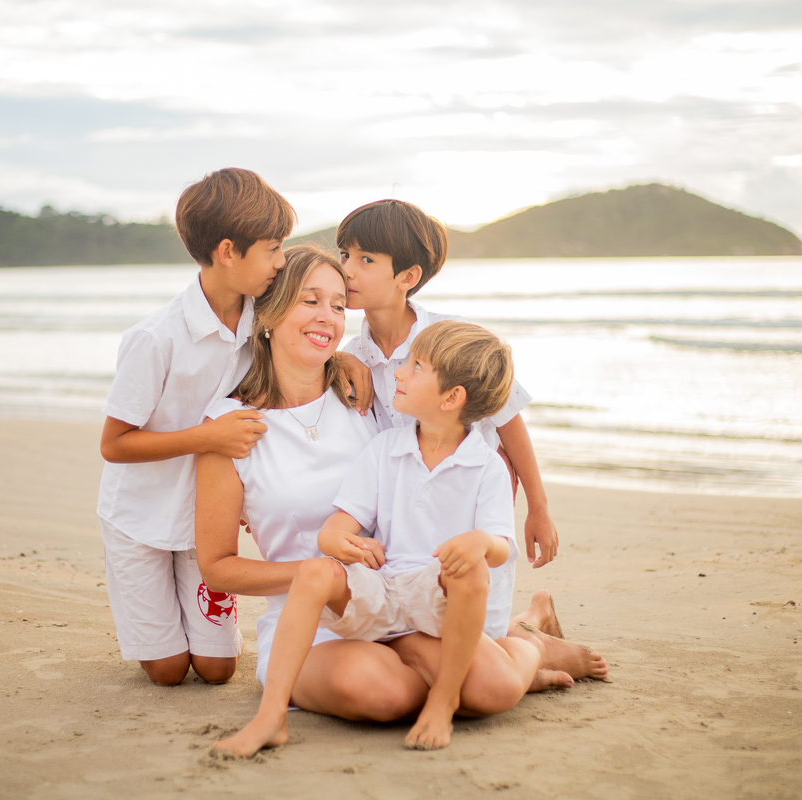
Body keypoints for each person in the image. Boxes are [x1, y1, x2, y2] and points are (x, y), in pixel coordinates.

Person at [196, 245, 607, 741]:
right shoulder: (229, 426)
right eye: (310, 302)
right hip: (316, 615)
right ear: (269, 312)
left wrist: (530, 503)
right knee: (382, 694)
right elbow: (216, 567)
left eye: (338, 306)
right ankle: (517, 639)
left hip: (400, 601)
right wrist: (322, 575)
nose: (327, 317)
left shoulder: (362, 392)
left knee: (486, 690)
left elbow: (456, 425)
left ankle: (519, 647)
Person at [97, 169, 372, 687]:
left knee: (218, 669)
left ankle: (208, 634)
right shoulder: (157, 338)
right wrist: (210, 438)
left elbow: (299, 337)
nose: (279, 261)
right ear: (228, 252)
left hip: (202, 511)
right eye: (272, 249)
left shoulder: (255, 314)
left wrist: (345, 359)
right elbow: (113, 444)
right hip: (140, 516)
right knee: (168, 671)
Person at [338, 199, 560, 573]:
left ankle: (535, 621)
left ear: (407, 277)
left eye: (366, 260)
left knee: (474, 618)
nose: (346, 270)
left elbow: (508, 419)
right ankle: (534, 618)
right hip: (401, 520)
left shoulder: (448, 337)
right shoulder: (352, 354)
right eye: (344, 255)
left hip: (468, 505)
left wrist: (538, 509)